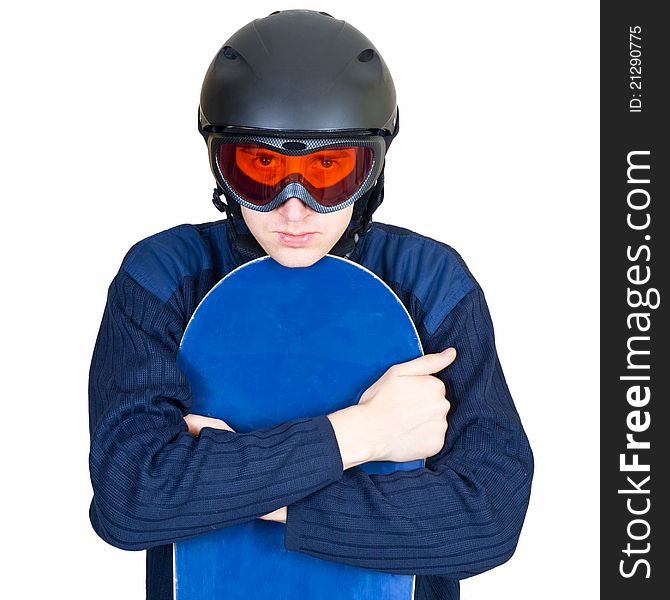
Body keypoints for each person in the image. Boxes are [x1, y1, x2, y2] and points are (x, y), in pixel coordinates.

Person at [88, 9, 533, 600]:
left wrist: (238, 486)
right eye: (262, 168)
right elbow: (130, 501)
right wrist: (367, 432)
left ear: (370, 169)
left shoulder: (430, 282)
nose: (292, 209)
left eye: (327, 170)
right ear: (221, 163)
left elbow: (488, 521)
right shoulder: (164, 278)